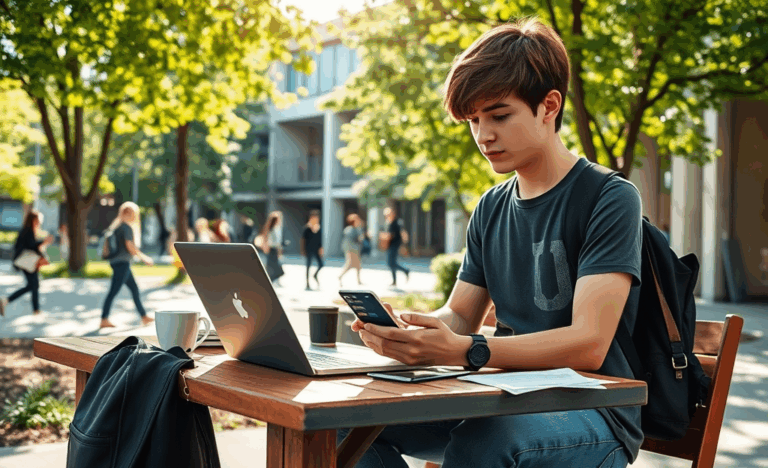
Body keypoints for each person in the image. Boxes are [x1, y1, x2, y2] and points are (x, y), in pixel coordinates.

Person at [340, 18, 643, 468]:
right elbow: (462, 314)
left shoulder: (609, 197)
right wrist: (413, 333)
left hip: (593, 409)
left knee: (486, 443)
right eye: (473, 121)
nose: (484, 136)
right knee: (345, 424)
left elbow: (589, 343)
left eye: (499, 116)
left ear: (549, 106)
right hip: (505, 395)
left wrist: (466, 350)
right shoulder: (491, 207)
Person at [100, 202, 155, 329]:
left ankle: (144, 316)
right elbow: (130, 246)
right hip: (122, 263)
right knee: (113, 292)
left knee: (134, 289)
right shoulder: (126, 228)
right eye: (133, 213)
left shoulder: (116, 226)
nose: (134, 216)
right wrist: (145, 258)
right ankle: (104, 318)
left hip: (117, 262)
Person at [0, 210, 54, 317]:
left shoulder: (29, 230)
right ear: (33, 220)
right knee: (33, 285)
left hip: (27, 261)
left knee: (33, 285)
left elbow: (32, 246)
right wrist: (44, 242)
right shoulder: (27, 231)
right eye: (38, 220)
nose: (39, 222)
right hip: (25, 261)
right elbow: (31, 246)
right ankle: (7, 301)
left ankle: (35, 309)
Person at [380, 206, 410, 286]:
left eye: (388, 214)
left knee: (391, 263)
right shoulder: (387, 222)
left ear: (393, 213)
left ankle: (405, 270)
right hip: (388, 245)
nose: (387, 216)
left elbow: (398, 233)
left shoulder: (397, 222)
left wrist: (404, 244)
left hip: (395, 244)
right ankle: (394, 281)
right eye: (386, 214)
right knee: (392, 263)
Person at [256, 211, 285, 285]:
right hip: (271, 249)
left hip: (275, 249)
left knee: (275, 267)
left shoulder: (277, 228)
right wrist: (266, 247)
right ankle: (269, 281)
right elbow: (266, 239)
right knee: (272, 267)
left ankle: (272, 281)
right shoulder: (270, 229)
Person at [300, 210, 324, 290]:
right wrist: (303, 250)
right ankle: (307, 283)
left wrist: (321, 248)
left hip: (316, 249)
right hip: (308, 249)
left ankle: (315, 275)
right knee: (308, 266)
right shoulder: (307, 228)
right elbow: (303, 239)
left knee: (321, 264)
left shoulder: (319, 227)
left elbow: (320, 239)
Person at [338, 213, 364, 286]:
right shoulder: (351, 229)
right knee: (350, 265)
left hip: (354, 249)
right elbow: (357, 239)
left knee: (357, 265)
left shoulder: (354, 229)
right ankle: (340, 276)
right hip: (352, 250)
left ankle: (359, 280)